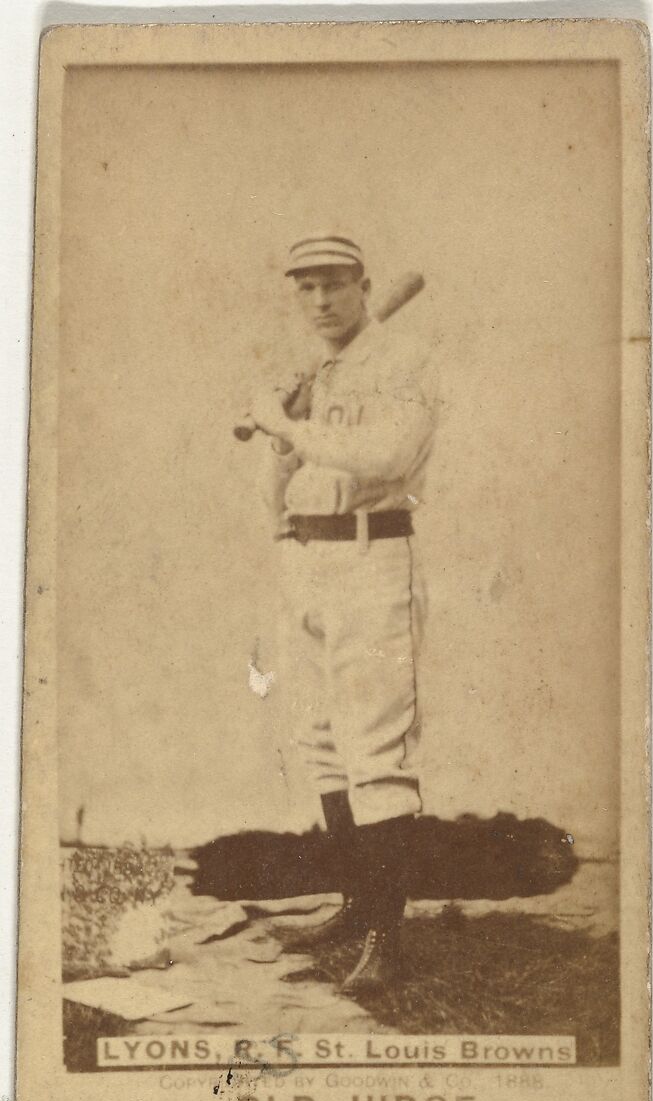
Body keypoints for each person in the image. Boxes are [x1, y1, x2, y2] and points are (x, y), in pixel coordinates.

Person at [248, 233, 438, 995]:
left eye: (334, 285)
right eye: (306, 288)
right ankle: (358, 905)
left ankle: (387, 942)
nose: (320, 301)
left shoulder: (402, 363)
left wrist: (290, 426)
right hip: (309, 560)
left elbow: (386, 457)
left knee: (374, 748)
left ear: (365, 285)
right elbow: (282, 480)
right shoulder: (316, 370)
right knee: (321, 739)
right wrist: (278, 455)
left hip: (372, 557)